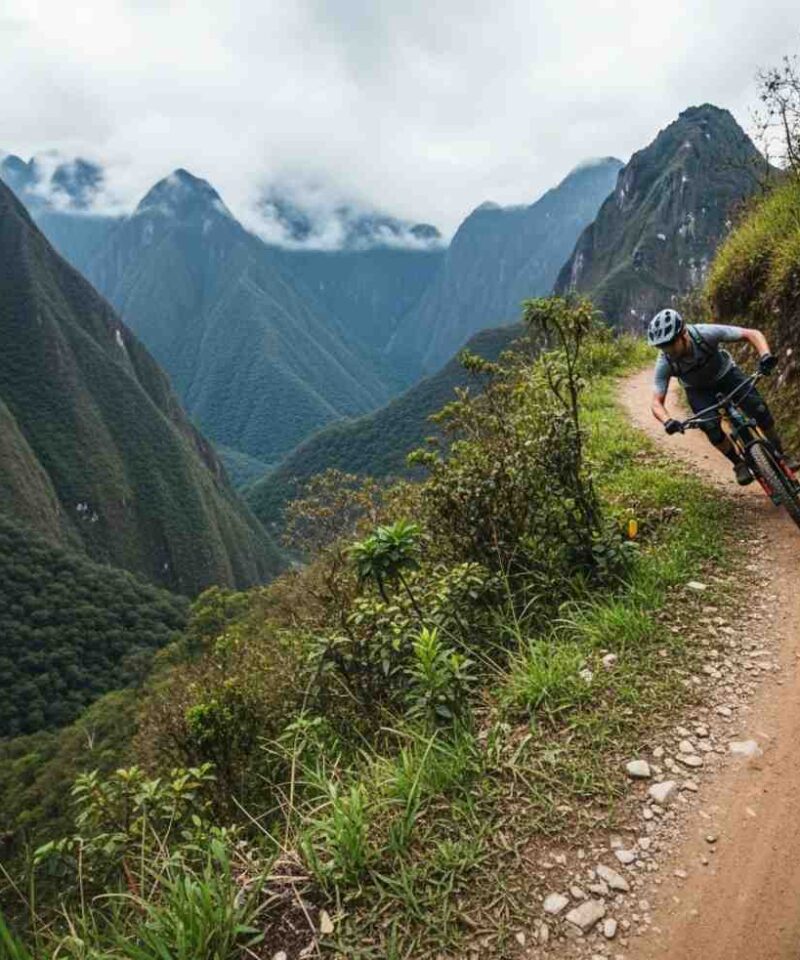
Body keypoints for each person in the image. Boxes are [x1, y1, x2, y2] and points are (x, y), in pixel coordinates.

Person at [648, 308, 796, 485]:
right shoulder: (665, 362)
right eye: (662, 346)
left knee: (759, 409)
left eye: (671, 344)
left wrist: (765, 356)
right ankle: (738, 464)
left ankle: (780, 454)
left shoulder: (704, 334)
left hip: (727, 375)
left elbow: (751, 334)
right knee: (711, 427)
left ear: (683, 334)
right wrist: (667, 421)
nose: (667, 350)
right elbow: (656, 402)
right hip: (698, 390)